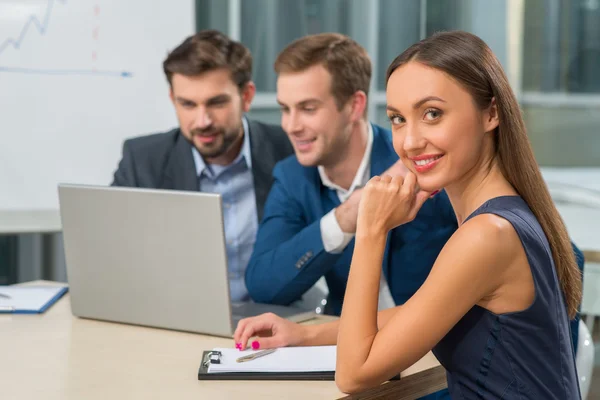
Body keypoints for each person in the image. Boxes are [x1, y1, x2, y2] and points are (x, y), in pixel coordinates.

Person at [235, 31, 583, 398]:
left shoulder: (486, 235)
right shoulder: (500, 216)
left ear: (491, 113)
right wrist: (305, 334)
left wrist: (371, 227)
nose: (410, 141)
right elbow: (418, 311)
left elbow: (354, 375)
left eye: (432, 114)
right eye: (398, 119)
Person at [244, 33, 458, 319]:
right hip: (346, 344)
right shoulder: (293, 177)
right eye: (285, 109)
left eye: (308, 108)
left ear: (355, 105)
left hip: (435, 348)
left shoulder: (421, 159)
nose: (291, 126)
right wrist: (347, 216)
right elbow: (263, 286)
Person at [111, 30, 293, 301]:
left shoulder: (288, 150)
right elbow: (113, 259)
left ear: (246, 96)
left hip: (279, 319)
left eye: (216, 103)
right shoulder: (142, 161)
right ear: (173, 99)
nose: (202, 120)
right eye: (187, 104)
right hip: (178, 319)